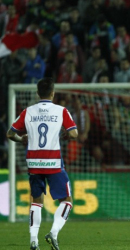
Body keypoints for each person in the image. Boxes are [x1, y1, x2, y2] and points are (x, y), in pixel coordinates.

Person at [6, 77, 78, 250]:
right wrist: (65, 135)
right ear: (53, 93)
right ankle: (53, 233)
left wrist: (21, 140)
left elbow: (10, 134)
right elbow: (74, 134)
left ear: (37, 93)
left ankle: (33, 241)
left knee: (36, 201)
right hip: (53, 162)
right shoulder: (61, 110)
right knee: (67, 201)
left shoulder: (28, 111)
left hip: (34, 162)